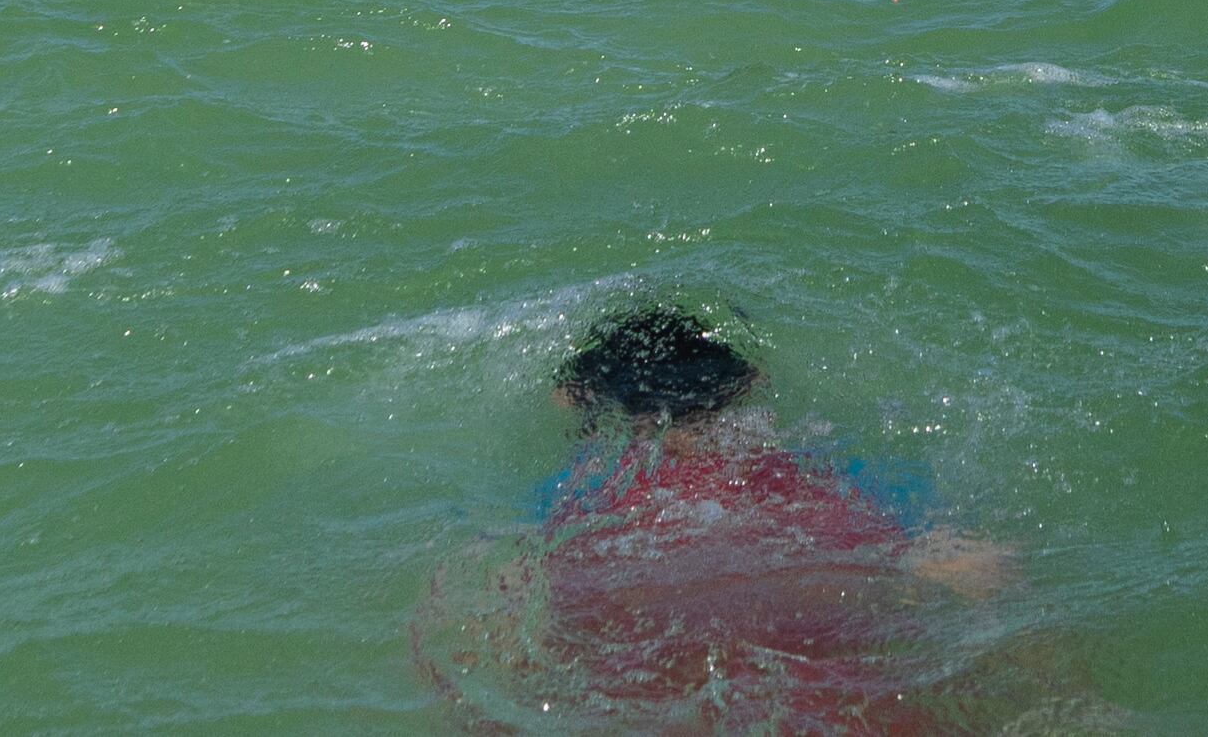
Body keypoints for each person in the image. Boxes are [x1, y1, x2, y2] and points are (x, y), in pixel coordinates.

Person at [410, 307, 1030, 735]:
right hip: (834, 635)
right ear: (747, 385)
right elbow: (970, 561)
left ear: (581, 402)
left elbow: (509, 582)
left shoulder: (589, 487)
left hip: (644, 665)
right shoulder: (811, 464)